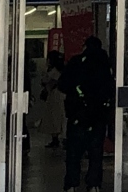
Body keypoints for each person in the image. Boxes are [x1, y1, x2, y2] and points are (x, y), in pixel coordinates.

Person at [59, 37, 115, 192]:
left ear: (85, 47)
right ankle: (94, 184)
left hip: (78, 114)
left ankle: (72, 184)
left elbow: (62, 85)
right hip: (99, 115)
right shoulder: (105, 64)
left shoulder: (76, 62)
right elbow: (111, 89)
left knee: (74, 152)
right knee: (96, 152)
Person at [40, 51, 67, 149]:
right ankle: (57, 138)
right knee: (56, 117)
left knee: (55, 117)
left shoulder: (54, 71)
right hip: (56, 95)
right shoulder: (60, 70)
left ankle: (57, 138)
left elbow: (47, 81)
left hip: (56, 96)